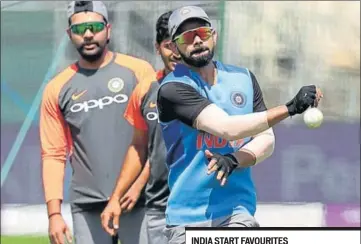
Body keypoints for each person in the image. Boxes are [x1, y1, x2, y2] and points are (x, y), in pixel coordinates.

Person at [155, 5, 323, 244]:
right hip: (187, 218)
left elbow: (266, 139)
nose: (197, 41)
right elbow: (227, 128)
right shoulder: (172, 88)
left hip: (237, 211)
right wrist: (289, 108)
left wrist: (235, 160)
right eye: (186, 37)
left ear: (214, 35)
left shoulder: (243, 78)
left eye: (202, 33)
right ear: (173, 47)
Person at [39, 1, 155, 244]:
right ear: (70, 35)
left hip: (139, 200)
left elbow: (159, 140)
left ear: (108, 30)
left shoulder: (140, 71)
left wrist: (139, 185)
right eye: (80, 29)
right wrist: (54, 214)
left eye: (94, 27)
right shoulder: (56, 88)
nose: (88, 35)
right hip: (87, 205)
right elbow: (53, 154)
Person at [100, 11, 178, 244]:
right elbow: (140, 148)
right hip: (158, 210)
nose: (175, 53)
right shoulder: (146, 90)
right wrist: (116, 197)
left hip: (203, 208)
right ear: (157, 48)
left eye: (179, 44)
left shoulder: (209, 86)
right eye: (168, 45)